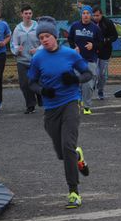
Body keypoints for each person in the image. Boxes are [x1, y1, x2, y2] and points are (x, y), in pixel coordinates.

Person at [28, 16, 93, 208]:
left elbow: (88, 74)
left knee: (67, 146)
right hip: (51, 108)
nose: (44, 40)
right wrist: (42, 91)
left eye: (47, 36)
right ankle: (78, 157)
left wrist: (75, 80)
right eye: (41, 38)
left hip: (70, 103)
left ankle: (74, 192)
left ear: (55, 36)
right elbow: (31, 82)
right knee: (62, 152)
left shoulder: (69, 54)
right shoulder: (38, 58)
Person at [67, 5, 102, 114]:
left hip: (90, 59)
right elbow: (70, 39)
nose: (85, 15)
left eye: (87, 13)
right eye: (83, 13)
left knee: (88, 84)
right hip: (77, 60)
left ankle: (86, 106)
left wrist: (93, 45)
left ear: (91, 15)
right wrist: (74, 47)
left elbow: (100, 43)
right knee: (77, 82)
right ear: (81, 14)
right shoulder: (75, 26)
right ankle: (78, 102)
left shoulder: (95, 28)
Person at [11, 4, 42, 114]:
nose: (28, 15)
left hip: (36, 60)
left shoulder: (38, 27)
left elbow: (44, 42)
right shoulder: (18, 29)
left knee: (38, 81)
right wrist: (17, 50)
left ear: (32, 14)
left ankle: (40, 97)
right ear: (22, 15)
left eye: (30, 13)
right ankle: (30, 105)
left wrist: (37, 50)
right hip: (22, 61)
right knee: (24, 84)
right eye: (26, 13)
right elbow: (13, 44)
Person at [92, 6, 119, 100]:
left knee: (102, 74)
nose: (95, 17)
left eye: (97, 15)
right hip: (94, 51)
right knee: (95, 72)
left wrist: (106, 40)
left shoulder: (107, 22)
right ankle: (93, 85)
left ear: (101, 14)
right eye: (94, 15)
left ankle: (100, 90)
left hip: (105, 51)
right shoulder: (90, 23)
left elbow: (115, 36)